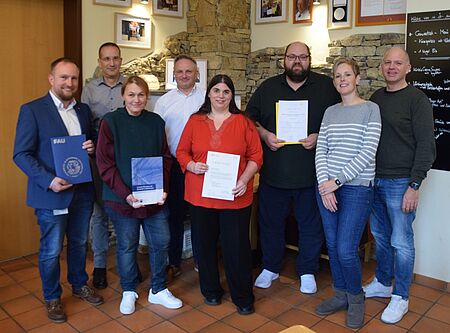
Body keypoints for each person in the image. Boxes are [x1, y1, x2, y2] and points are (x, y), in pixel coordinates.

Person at [13, 57, 104, 323]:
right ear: (51, 79)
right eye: (63, 77)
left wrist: (91, 146)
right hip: (51, 193)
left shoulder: (84, 111)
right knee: (52, 249)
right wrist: (49, 180)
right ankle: (52, 297)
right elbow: (21, 154)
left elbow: (92, 142)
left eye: (74, 78)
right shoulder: (32, 110)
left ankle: (79, 284)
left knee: (78, 243)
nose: (69, 83)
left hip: (83, 192)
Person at [246, 41, 340, 294]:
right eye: (291, 57)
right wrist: (265, 135)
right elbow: (249, 120)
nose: (297, 61)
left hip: (312, 175)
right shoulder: (267, 88)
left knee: (310, 226)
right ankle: (270, 267)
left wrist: (320, 136)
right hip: (274, 174)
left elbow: (341, 121)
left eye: (302, 57)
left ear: (310, 59)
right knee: (270, 224)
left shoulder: (326, 87)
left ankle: (307, 271)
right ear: (284, 60)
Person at [176, 74, 263, 315]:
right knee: (203, 246)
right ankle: (211, 291)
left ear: (231, 95)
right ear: (209, 94)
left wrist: (245, 179)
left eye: (226, 91)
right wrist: (191, 166)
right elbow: (182, 151)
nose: (221, 96)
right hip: (200, 195)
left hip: (235, 195)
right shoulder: (195, 121)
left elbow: (256, 157)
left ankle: (243, 296)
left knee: (237, 248)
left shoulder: (244, 122)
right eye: (216, 91)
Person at [96, 76, 182, 315]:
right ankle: (128, 290)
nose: (136, 99)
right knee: (126, 246)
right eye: (131, 94)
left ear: (148, 97)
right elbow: (105, 164)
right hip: (121, 199)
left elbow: (165, 157)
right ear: (123, 96)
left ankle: (158, 289)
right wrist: (126, 195)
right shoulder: (110, 122)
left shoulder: (155, 122)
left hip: (153, 198)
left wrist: (163, 187)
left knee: (161, 241)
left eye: (141, 95)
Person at [363, 47, 436, 324]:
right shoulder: (375, 99)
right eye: (387, 63)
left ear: (408, 68)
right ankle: (383, 282)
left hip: (401, 182)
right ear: (382, 67)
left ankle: (401, 296)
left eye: (398, 63)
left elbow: (427, 147)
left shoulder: (417, 100)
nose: (391, 67)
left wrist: (414, 184)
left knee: (401, 241)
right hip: (374, 180)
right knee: (381, 236)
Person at [314, 58, 381, 328]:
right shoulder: (330, 112)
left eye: (347, 75)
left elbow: (367, 152)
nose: (342, 79)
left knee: (345, 249)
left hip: (355, 189)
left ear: (357, 78)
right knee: (332, 245)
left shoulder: (370, 109)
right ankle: (340, 293)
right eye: (338, 76)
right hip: (327, 188)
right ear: (334, 81)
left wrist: (337, 181)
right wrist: (324, 184)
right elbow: (322, 149)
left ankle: (356, 297)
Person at [154, 55, 205, 280]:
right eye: (180, 72)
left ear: (197, 74)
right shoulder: (163, 102)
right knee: (173, 216)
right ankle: (173, 262)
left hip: (201, 167)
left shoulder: (206, 99)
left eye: (189, 71)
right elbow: (155, 134)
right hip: (174, 166)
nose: (184, 75)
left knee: (200, 216)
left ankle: (202, 260)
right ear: (174, 74)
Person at [81, 42, 125, 289]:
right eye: (106, 59)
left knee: (123, 209)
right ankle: (99, 265)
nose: (111, 63)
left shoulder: (131, 86)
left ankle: (125, 263)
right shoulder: (89, 90)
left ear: (121, 60)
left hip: (124, 157)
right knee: (99, 213)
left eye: (115, 58)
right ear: (100, 62)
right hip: (98, 159)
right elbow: (84, 125)